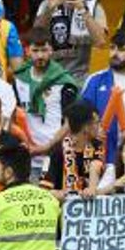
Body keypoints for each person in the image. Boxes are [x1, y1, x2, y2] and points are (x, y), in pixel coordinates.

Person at [31, 0, 108, 82]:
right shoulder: (47, 4)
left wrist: (83, 9)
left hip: (79, 79)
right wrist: (53, 5)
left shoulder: (94, 7)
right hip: (48, 77)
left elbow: (100, 41)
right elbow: (35, 35)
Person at [13, 28, 79, 160]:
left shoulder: (64, 82)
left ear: (51, 51)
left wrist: (48, 147)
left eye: (44, 50)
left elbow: (70, 122)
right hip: (27, 155)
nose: (40, 56)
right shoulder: (19, 79)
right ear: (27, 51)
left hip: (56, 155)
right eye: (35, 51)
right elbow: (14, 116)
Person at [42, 100, 105, 197]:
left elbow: (95, 166)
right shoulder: (58, 151)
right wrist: (60, 194)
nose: (100, 126)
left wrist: (92, 188)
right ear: (86, 127)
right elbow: (44, 190)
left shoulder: (97, 145)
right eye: (97, 122)